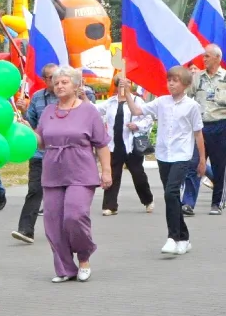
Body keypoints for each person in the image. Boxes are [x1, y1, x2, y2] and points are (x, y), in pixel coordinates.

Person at [34, 66, 110, 283]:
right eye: (56, 83)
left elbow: (102, 144)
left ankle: (84, 257)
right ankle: (65, 268)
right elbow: (40, 140)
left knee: (75, 216)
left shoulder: (89, 111)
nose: (59, 86)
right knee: (52, 221)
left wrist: (106, 171)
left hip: (81, 171)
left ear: (76, 86)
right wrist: (24, 130)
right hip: (53, 171)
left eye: (64, 82)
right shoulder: (49, 111)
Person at [11, 63, 96, 244]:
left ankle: (73, 229)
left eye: (61, 79)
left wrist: (105, 170)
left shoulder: (83, 95)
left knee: (72, 203)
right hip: (42, 155)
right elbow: (33, 123)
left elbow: (92, 119)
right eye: (52, 79)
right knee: (34, 190)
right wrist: (24, 113)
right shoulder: (38, 98)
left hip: (72, 160)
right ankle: (26, 230)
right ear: (45, 80)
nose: (57, 83)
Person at [125, 67, 205, 255]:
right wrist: (127, 93)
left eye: (175, 80)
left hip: (182, 155)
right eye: (169, 80)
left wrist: (202, 159)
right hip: (163, 155)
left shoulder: (191, 106)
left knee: (170, 193)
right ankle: (184, 238)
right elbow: (137, 110)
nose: (171, 83)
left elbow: (198, 133)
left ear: (185, 84)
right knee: (173, 197)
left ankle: (172, 237)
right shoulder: (161, 102)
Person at [95, 74, 154, 216]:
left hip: (131, 145)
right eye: (120, 84)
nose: (123, 86)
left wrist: (137, 125)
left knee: (138, 174)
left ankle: (147, 199)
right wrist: (83, 98)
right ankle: (110, 205)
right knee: (112, 174)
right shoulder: (111, 102)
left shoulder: (136, 100)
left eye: (126, 83)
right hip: (114, 145)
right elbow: (94, 110)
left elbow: (148, 118)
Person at [183, 44, 226, 215]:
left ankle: (216, 203)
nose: (204, 59)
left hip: (220, 126)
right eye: (203, 56)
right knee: (194, 164)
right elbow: (187, 98)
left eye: (207, 56)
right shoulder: (197, 78)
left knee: (218, 166)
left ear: (217, 58)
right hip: (199, 127)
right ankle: (188, 203)